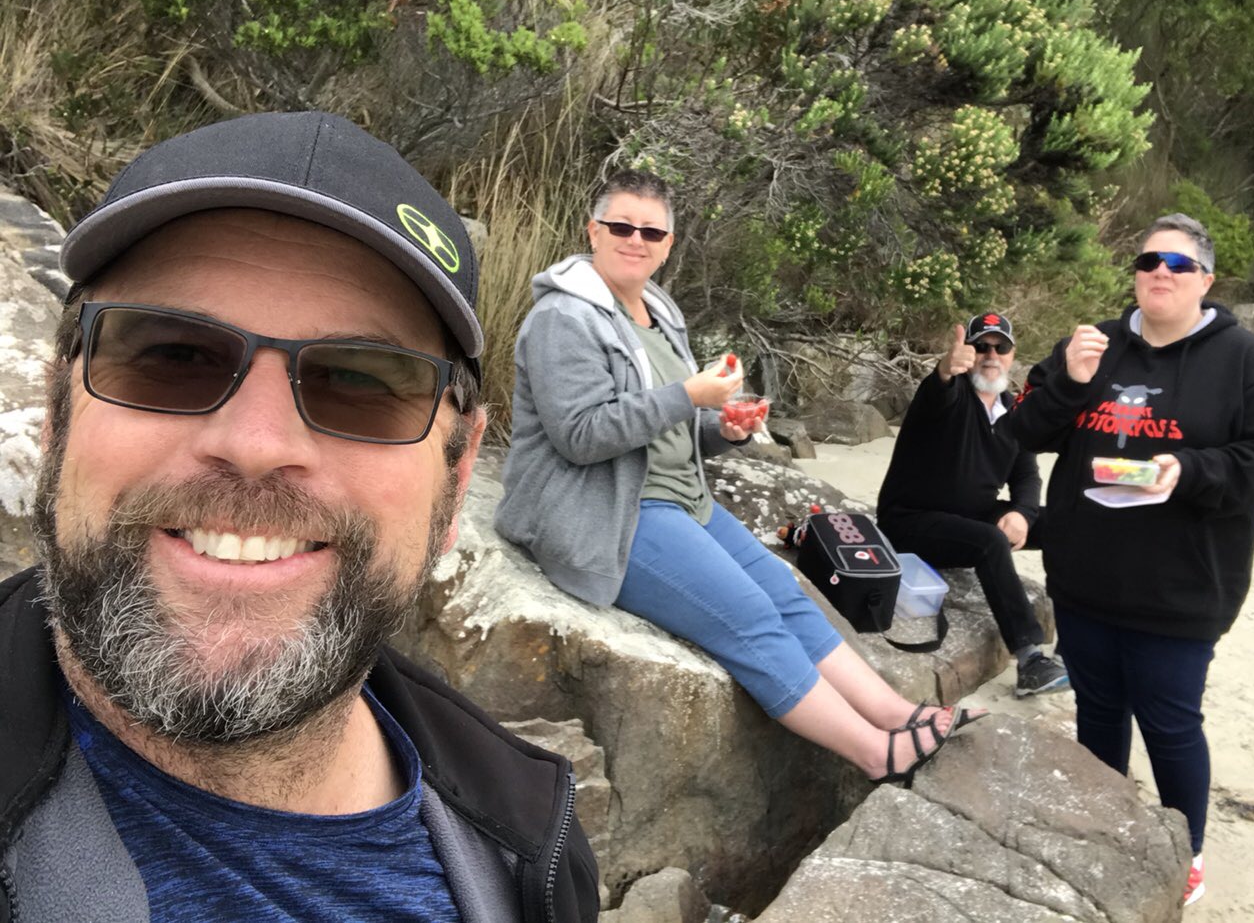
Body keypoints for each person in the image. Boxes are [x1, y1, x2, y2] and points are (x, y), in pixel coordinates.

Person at [0, 112, 600, 923]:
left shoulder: (529, 841)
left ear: (456, 482)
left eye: (359, 382)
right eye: (173, 355)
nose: (256, 446)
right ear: (55, 414)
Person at [495, 170, 985, 788]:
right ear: (593, 231)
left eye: (651, 231)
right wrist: (687, 395)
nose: (635, 239)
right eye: (620, 226)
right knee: (750, 616)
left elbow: (674, 428)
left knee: (785, 591)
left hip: (682, 501)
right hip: (609, 511)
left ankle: (896, 713)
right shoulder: (563, 317)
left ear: (668, 245)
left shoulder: (659, 311)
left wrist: (722, 429)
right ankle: (873, 752)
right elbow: (581, 435)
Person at [1005, 213, 1254, 907]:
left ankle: (1184, 851)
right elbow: (1023, 431)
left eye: (1178, 263)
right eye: (1148, 262)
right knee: (1098, 712)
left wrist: (1188, 470)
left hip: (1183, 583)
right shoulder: (1092, 344)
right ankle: (1106, 829)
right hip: (1086, 573)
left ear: (1206, 280)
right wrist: (1071, 383)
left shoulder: (1242, 359)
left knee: (1170, 723)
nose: (1160, 272)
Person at [877, 311, 1070, 697]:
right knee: (989, 540)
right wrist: (945, 369)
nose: (991, 355)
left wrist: (1021, 513)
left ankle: (1075, 638)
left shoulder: (1013, 411)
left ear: (1013, 355)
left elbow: (1027, 476)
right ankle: (1030, 659)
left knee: (1069, 525)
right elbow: (939, 390)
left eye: (1001, 348)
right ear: (967, 352)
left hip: (970, 517)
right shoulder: (948, 394)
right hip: (910, 521)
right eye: (981, 346)